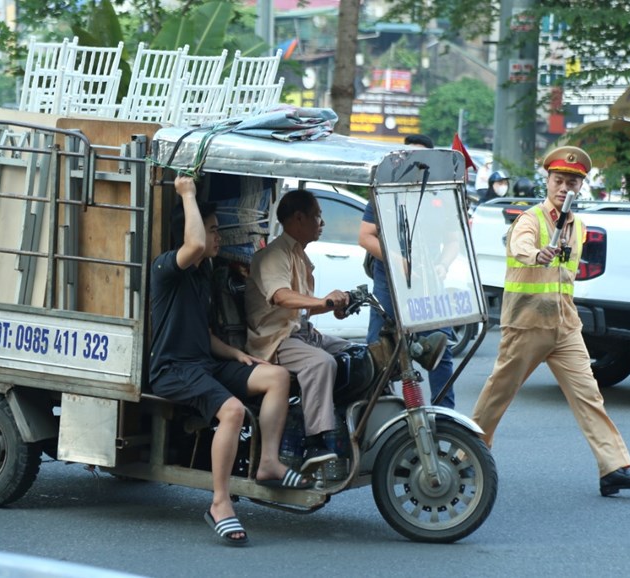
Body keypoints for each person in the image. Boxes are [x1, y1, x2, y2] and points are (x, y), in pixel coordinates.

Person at [470, 146, 630, 497]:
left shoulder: (578, 227)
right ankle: (467, 456)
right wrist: (537, 254)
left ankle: (613, 468)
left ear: (580, 187)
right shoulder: (530, 219)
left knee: (589, 396)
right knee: (497, 395)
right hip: (527, 325)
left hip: (564, 326)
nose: (564, 188)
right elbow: (521, 246)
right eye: (559, 181)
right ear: (548, 181)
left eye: (572, 182)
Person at [149, 175, 312, 547]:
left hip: (204, 363)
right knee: (234, 412)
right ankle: (220, 504)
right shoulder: (167, 269)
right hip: (174, 370)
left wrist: (236, 354)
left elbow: (202, 333)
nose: (217, 237)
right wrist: (187, 193)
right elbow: (192, 243)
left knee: (276, 376)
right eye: (212, 230)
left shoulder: (206, 272)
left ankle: (268, 462)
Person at [245, 189, 351, 472]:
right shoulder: (274, 255)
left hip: (299, 332)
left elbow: (302, 307)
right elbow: (281, 296)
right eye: (318, 215)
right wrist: (322, 301)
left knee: (356, 353)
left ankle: (343, 419)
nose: (322, 223)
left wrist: (333, 304)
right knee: (321, 363)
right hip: (275, 339)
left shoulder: (298, 255)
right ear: (299, 217)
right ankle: (316, 440)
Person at [358, 134, 457, 408]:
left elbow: (453, 239)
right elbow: (365, 236)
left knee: (440, 348)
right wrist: (396, 261)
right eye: (408, 157)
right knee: (379, 351)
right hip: (388, 282)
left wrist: (442, 264)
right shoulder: (384, 192)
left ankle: (444, 414)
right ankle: (378, 411)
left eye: (420, 159)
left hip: (426, 283)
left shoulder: (439, 196)